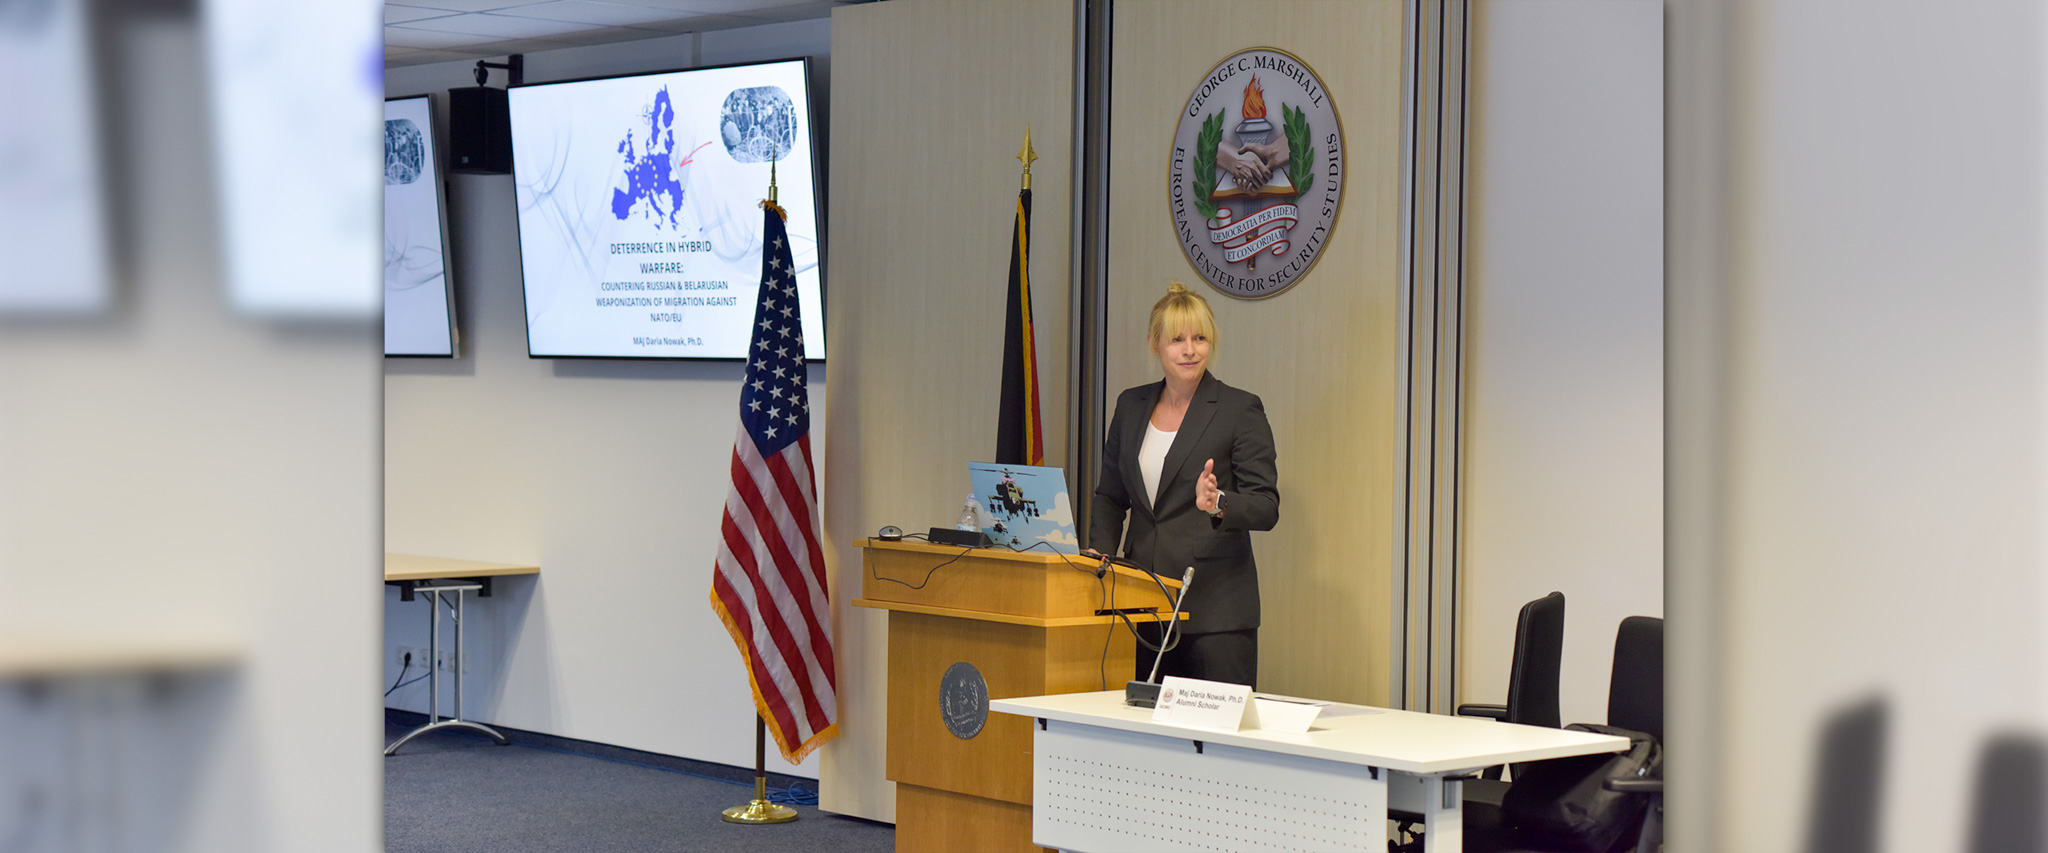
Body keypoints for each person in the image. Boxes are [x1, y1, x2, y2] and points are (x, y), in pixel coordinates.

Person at [1086, 282, 1279, 688]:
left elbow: (1265, 505)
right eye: (1177, 339)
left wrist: (1219, 501)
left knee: (1215, 747)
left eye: (1200, 338)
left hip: (1215, 615)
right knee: (1144, 739)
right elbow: (1110, 495)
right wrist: (1100, 553)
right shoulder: (1130, 405)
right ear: (1155, 344)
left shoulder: (1239, 409)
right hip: (1141, 608)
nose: (1190, 350)